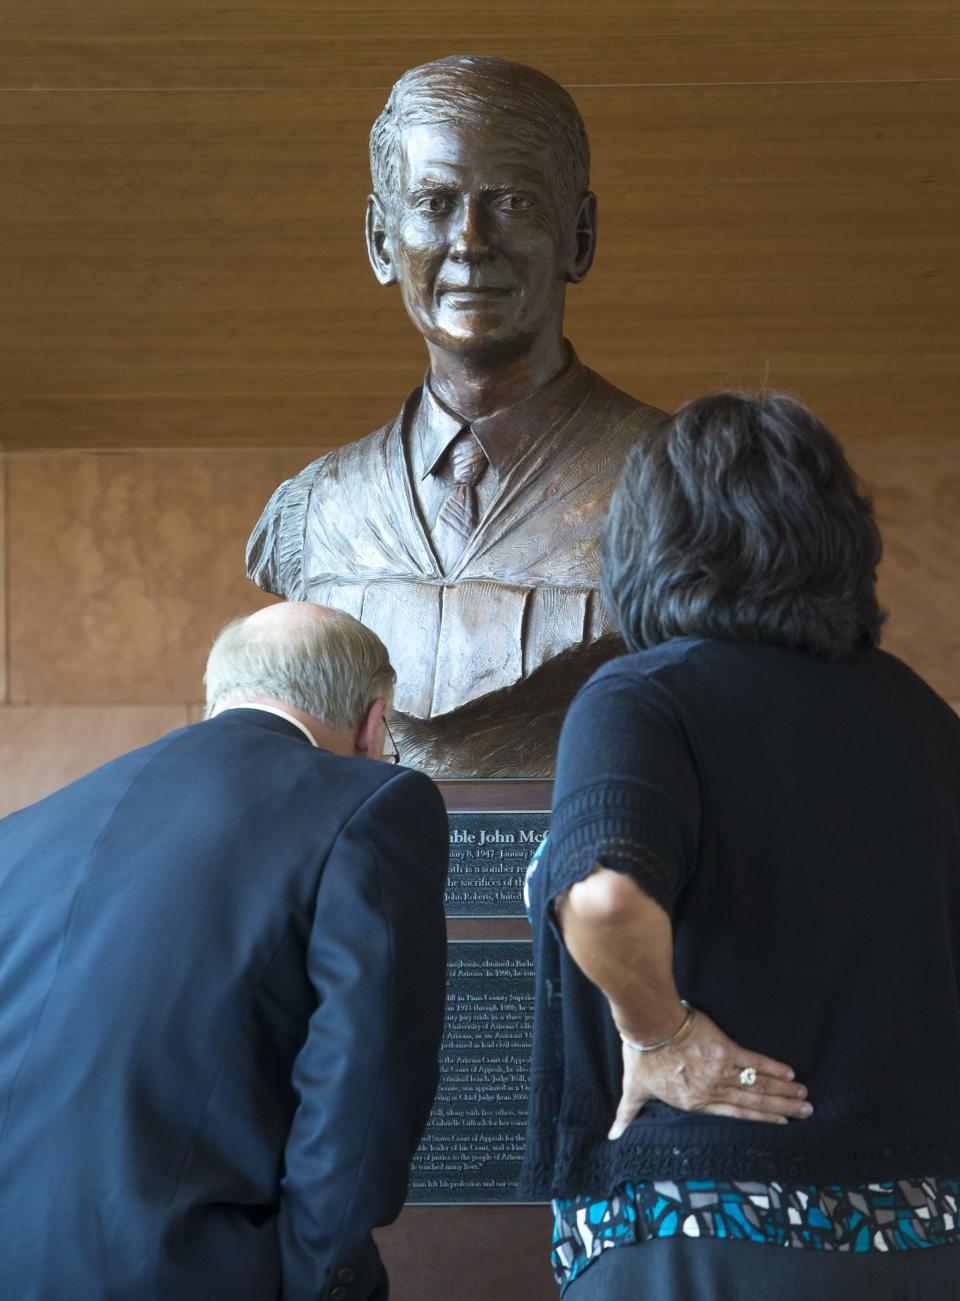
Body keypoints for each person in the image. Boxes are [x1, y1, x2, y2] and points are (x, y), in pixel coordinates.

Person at [520, 392, 960, 1297]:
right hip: (925, 1228)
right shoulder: (926, 716)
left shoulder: (643, 695)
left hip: (704, 1228)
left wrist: (664, 1034)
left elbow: (605, 899)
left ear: (649, 541)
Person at [0, 601, 448, 1301]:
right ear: (371, 722)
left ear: (220, 692)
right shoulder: (373, 804)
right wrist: (315, 1282)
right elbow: (363, 1084)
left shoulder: (23, 831)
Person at [246, 55, 663, 778]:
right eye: (434, 203)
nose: (471, 240)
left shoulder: (683, 488)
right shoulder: (313, 513)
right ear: (381, 240)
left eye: (514, 203)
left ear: (581, 237)